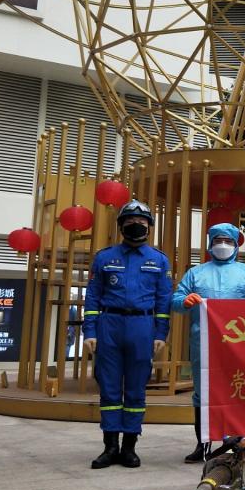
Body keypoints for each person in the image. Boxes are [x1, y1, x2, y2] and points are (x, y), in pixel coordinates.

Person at [83, 200, 172, 469]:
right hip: (109, 325)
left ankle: (129, 447)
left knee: (135, 389)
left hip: (142, 327)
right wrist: (90, 330)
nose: (136, 225)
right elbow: (93, 296)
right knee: (109, 388)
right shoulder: (104, 258)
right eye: (130, 221)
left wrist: (160, 333)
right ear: (121, 226)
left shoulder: (159, 260)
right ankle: (110, 447)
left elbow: (164, 300)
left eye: (142, 222)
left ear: (149, 227)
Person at [171, 222, 245, 463]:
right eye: (218, 240)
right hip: (204, 342)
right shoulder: (195, 273)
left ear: (236, 245)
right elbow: (176, 299)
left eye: (228, 241)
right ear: (210, 244)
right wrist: (184, 301)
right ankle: (203, 444)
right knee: (203, 393)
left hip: (238, 344)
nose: (223, 245)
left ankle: (240, 443)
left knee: (239, 390)